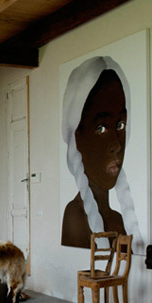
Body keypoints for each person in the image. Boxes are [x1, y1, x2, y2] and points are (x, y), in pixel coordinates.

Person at [60, 56, 143, 252]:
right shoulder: (75, 215)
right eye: (101, 128)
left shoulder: (117, 219)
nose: (116, 145)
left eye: (120, 125)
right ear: (77, 137)